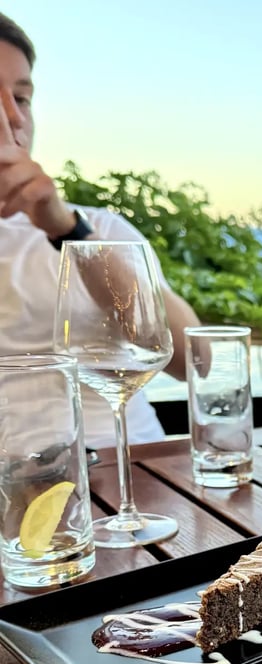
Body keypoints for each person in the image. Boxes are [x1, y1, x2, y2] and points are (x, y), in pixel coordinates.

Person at [0, 13, 199, 447]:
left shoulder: (99, 228)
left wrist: (68, 232)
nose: (13, 117)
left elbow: (194, 360)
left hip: (130, 470)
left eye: (23, 97)